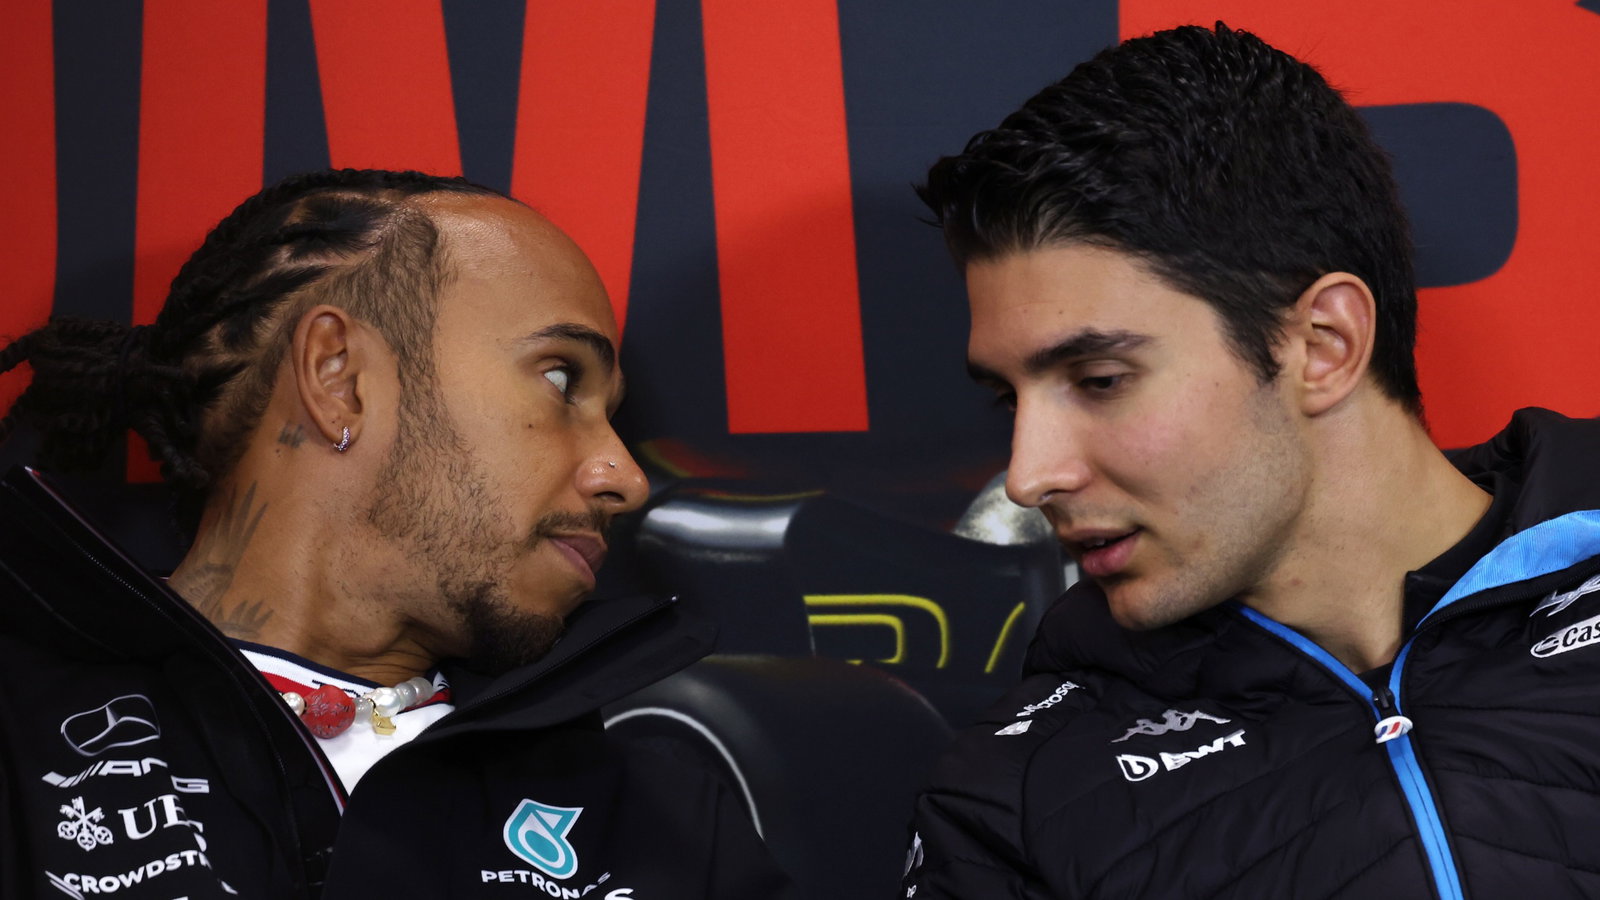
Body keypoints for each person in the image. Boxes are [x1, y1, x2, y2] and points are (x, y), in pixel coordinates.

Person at [899, 22, 1600, 899]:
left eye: (1101, 379)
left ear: (1323, 344)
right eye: (1012, 399)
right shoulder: (1017, 792)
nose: (1029, 474)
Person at [0, 169, 790, 899]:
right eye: (560, 379)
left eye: (610, 413)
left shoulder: (665, 823)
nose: (625, 477)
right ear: (340, 378)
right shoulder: (20, 742)